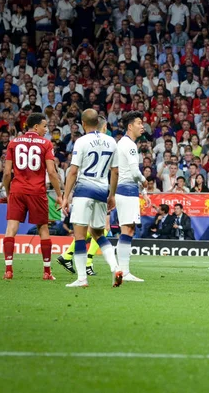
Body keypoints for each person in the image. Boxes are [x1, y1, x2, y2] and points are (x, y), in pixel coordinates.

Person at [61, 109, 121, 288]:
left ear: (83, 123)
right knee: (97, 233)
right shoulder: (111, 141)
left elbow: (73, 171)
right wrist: (112, 195)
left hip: (84, 191)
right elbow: (115, 171)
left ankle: (81, 279)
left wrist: (65, 197)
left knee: (79, 235)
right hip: (102, 190)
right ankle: (115, 267)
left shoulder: (81, 141)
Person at [2, 113, 63, 280]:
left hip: (17, 189)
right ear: (36, 127)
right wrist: (59, 195)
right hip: (37, 191)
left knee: (11, 228)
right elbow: (51, 172)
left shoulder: (13, 142)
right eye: (45, 126)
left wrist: (9, 193)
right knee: (43, 228)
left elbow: (7, 173)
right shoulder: (45, 143)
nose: (46, 130)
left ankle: (8, 270)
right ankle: (47, 272)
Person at [115, 111, 150, 282]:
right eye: (139, 123)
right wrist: (144, 182)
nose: (142, 126)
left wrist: (142, 192)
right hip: (127, 192)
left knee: (128, 230)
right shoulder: (129, 145)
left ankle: (122, 270)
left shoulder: (123, 143)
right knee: (127, 230)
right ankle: (124, 271)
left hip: (125, 190)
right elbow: (135, 172)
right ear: (130, 126)